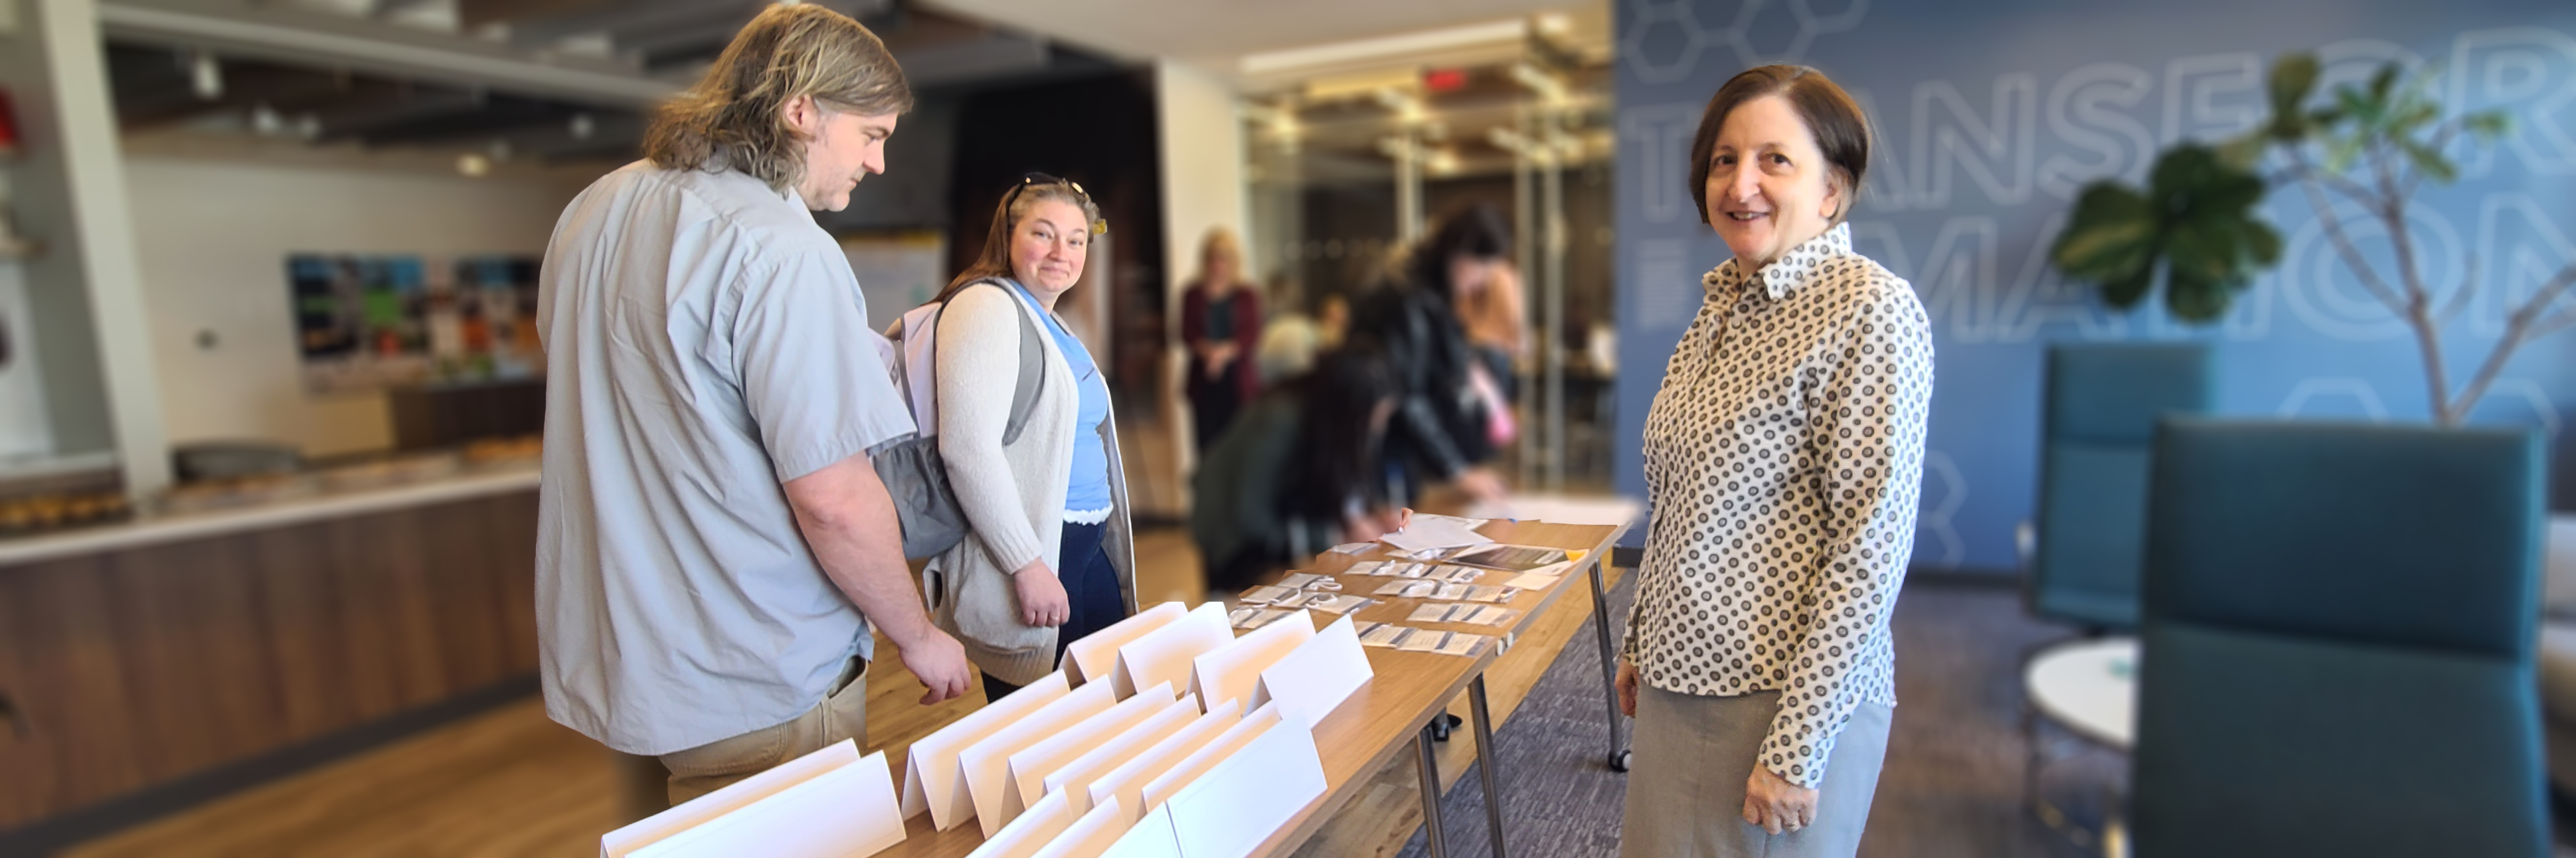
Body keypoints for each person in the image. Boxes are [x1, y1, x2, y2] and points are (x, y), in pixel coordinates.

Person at [534, 4, 970, 808]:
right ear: (801, 110)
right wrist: (917, 634)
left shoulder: (591, 210)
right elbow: (833, 499)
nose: (877, 163)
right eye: (871, 135)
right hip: (755, 666)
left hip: (628, 661)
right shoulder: (780, 247)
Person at [1616, 64, 1934, 858]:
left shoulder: (1870, 308)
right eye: (1724, 159)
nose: (1741, 182)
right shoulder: (1723, 303)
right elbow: (1683, 497)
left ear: (1833, 188)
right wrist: (1640, 638)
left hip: (1779, 704)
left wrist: (1797, 748)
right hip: (1681, 678)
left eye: (1774, 160)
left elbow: (1871, 548)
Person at [927, 173, 1138, 703]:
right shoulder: (985, 307)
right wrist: (1026, 563)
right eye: (1042, 234)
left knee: (1103, 710)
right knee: (1048, 730)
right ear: (1007, 235)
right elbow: (967, 450)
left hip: (1085, 541)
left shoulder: (1047, 319)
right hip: (1041, 550)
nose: (1060, 252)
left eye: (1076, 239)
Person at [1191, 346, 1407, 594]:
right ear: (1350, 408)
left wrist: (1373, 512)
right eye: (1375, 418)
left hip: (1278, 524)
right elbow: (1249, 514)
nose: (1378, 428)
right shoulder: (1281, 418)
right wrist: (1331, 534)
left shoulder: (1331, 415)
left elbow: (1340, 479)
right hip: (1232, 532)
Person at [1348, 204, 1515, 505]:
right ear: (1460, 254)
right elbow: (1408, 394)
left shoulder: (1430, 288)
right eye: (1481, 269)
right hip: (1384, 449)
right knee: (1392, 535)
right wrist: (1456, 470)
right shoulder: (1406, 294)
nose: (1481, 283)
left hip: (1401, 449)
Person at [1179, 228, 1264, 452]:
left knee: (1241, 444)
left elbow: (1252, 334)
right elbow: (1186, 332)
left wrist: (1222, 353)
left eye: (1223, 259)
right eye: (1213, 258)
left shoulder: (1247, 294)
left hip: (1238, 382)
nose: (1218, 264)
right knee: (1206, 446)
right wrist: (1208, 352)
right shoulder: (1192, 293)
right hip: (1204, 380)